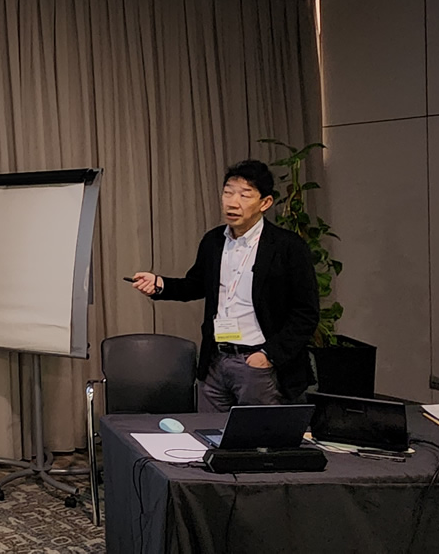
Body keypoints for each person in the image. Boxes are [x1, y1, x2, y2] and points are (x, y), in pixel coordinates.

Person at [129, 159, 319, 411]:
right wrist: (160, 284)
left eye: (244, 195)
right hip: (217, 360)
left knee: (258, 434)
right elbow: (196, 285)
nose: (232, 202)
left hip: (259, 365)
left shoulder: (288, 246)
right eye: (228, 192)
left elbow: (306, 312)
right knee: (210, 432)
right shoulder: (214, 241)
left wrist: (268, 356)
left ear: (265, 203)